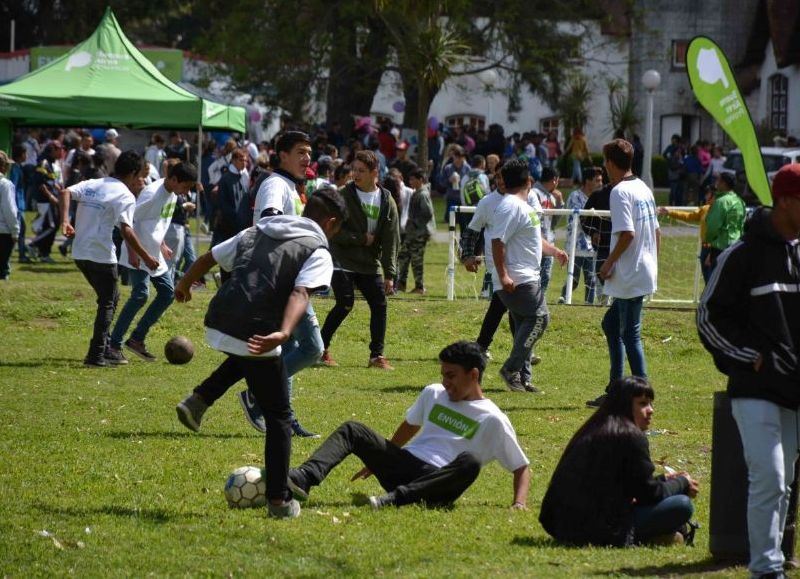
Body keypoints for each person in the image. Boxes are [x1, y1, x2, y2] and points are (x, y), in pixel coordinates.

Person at [173, 186, 348, 519]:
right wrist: (283, 331)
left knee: (249, 354)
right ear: (332, 223)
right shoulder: (318, 250)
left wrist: (184, 282)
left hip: (221, 319)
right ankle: (279, 501)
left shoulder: (259, 229)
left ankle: (199, 400)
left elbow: (211, 256)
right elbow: (301, 292)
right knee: (280, 416)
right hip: (258, 327)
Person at [697, 163, 800, 579]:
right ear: (788, 201)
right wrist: (748, 355)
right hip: (754, 388)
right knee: (771, 478)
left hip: (794, 390)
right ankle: (766, 569)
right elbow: (708, 317)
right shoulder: (742, 255)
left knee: (785, 482)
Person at [287, 341, 530, 511]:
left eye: (451, 376)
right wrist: (381, 455)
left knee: (471, 462)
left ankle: (395, 500)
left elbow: (521, 467)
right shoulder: (434, 393)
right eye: (443, 374)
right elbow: (410, 426)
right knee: (353, 429)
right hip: (404, 467)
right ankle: (304, 478)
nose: (445, 382)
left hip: (438, 483)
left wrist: (519, 503)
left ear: (474, 374)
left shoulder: (493, 418)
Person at [540, 376, 699, 546]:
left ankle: (663, 536)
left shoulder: (593, 429)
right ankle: (652, 537)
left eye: (651, 403)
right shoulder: (630, 436)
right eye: (643, 403)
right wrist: (682, 483)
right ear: (624, 404)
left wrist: (664, 480)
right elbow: (649, 495)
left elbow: (628, 485)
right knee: (682, 505)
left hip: (559, 525)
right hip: (599, 528)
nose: (650, 410)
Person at [59, 151, 159, 367]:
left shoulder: (95, 183)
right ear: (133, 173)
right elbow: (127, 230)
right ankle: (96, 355)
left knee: (109, 300)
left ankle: (104, 349)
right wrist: (147, 257)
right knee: (108, 302)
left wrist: (65, 221)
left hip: (80, 253)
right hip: (101, 255)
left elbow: (65, 192)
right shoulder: (125, 195)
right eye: (139, 174)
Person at [588, 139, 660, 408]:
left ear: (609, 163)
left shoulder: (619, 192)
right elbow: (657, 232)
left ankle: (642, 396)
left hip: (630, 272)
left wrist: (607, 263)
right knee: (611, 324)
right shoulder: (644, 188)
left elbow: (628, 233)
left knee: (630, 333)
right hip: (642, 269)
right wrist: (654, 264)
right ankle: (616, 389)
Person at [107, 162, 198, 363]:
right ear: (174, 179)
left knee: (167, 293)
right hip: (138, 252)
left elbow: (157, 222)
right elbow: (126, 224)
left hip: (154, 253)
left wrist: (162, 244)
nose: (187, 191)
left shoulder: (173, 195)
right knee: (140, 295)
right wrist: (133, 252)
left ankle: (136, 339)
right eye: (186, 186)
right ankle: (113, 345)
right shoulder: (151, 194)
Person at [490, 159, 568, 393]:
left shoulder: (524, 207)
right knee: (539, 318)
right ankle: (511, 370)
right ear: (529, 181)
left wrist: (554, 251)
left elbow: (533, 239)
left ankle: (523, 379)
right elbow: (497, 241)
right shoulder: (510, 206)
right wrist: (503, 275)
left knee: (524, 323)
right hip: (518, 278)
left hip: (526, 276)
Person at [320, 149, 400, 369]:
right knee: (345, 304)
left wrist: (390, 274)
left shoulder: (386, 199)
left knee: (379, 304)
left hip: (369, 263)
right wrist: (359, 238)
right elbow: (331, 230)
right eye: (354, 169)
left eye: (361, 171)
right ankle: (320, 348)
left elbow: (392, 239)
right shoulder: (342, 195)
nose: (355, 174)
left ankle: (376, 357)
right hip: (341, 259)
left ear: (375, 172)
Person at [559, 167, 603, 304]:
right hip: (576, 246)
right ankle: (564, 299)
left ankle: (588, 305)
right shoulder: (575, 196)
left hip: (593, 246)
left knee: (591, 279)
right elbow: (577, 220)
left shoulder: (599, 197)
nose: (600, 183)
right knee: (574, 279)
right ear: (587, 181)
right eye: (597, 180)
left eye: (601, 180)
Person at [658, 186, 715, 284]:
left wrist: (712, 252)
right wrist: (670, 212)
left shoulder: (720, 212)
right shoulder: (705, 209)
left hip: (714, 249)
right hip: (704, 248)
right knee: (708, 281)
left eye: (708, 193)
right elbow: (689, 216)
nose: (705, 196)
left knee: (712, 281)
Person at [395, 167, 435, 294]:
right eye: (410, 179)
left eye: (413, 179)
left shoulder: (422, 194)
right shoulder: (417, 192)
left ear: (421, 180)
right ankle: (401, 283)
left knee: (416, 260)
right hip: (412, 233)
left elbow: (428, 213)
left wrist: (415, 223)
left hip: (419, 234)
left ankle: (419, 286)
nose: (410, 182)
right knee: (403, 256)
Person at [703, 173, 745, 275]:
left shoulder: (721, 202)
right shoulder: (740, 201)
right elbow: (742, 224)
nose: (716, 183)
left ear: (723, 183)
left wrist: (707, 241)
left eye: (718, 180)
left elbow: (713, 226)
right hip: (736, 246)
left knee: (715, 281)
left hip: (720, 248)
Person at [532, 166, 564, 295]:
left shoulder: (551, 197)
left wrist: (560, 202)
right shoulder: (534, 193)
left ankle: (540, 300)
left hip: (549, 241)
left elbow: (554, 222)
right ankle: (533, 300)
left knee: (545, 275)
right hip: (536, 241)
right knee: (534, 275)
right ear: (555, 180)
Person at [0, 151, 20, 280]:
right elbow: (9, 210)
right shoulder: (5, 184)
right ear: (3, 166)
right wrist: (15, 231)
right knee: (2, 270)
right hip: (3, 232)